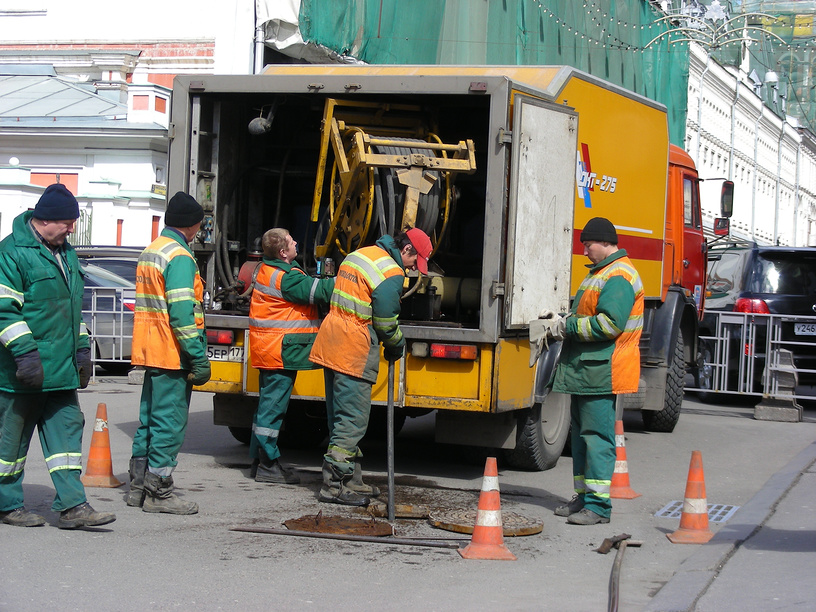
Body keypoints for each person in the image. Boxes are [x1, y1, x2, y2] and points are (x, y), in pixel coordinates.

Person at [0, 183, 116, 529]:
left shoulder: (65, 252)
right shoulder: (11, 253)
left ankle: (73, 506)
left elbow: (71, 310)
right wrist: (26, 356)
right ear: (44, 219)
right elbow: (5, 311)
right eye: (67, 222)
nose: (71, 228)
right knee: (10, 445)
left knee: (67, 438)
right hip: (21, 373)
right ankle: (7, 504)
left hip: (60, 371)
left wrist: (82, 351)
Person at [309, 227, 433, 506]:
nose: (414, 268)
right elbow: (386, 322)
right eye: (415, 261)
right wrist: (397, 345)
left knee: (339, 417)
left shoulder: (360, 254)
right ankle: (334, 485)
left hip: (331, 340)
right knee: (352, 421)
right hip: (354, 348)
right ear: (407, 250)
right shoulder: (392, 273)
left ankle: (353, 479)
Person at [545, 217, 644, 525]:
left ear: (605, 243)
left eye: (588, 245)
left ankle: (599, 508)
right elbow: (588, 314)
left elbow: (608, 324)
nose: (585, 251)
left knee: (597, 438)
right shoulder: (601, 273)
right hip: (588, 369)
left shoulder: (618, 276)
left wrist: (566, 325)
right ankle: (585, 498)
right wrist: (563, 317)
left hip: (603, 370)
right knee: (582, 437)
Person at [127, 192, 211, 515]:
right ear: (192, 226)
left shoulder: (152, 251)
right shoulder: (180, 257)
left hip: (151, 349)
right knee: (169, 423)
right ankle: (160, 491)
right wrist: (197, 356)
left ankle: (138, 487)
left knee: (148, 420)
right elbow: (181, 314)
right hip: (172, 352)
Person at [247, 228, 334, 484]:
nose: (297, 241)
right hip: (279, 352)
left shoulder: (271, 270)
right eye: (291, 240)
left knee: (266, 408)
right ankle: (267, 465)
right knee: (272, 409)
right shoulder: (286, 278)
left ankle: (259, 461)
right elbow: (319, 291)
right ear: (283, 252)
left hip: (272, 349)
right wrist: (350, 280)